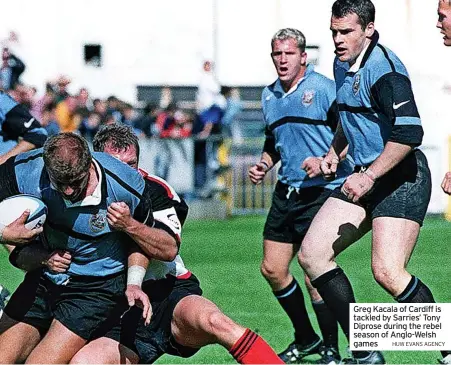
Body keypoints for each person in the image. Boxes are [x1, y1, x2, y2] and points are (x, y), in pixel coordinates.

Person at [298, 1, 448, 364]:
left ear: (368, 29)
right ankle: (366, 352)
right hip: (364, 177)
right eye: (334, 31)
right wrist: (334, 153)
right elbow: (351, 115)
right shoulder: (341, 62)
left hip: (402, 178)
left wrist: (367, 176)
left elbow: (409, 132)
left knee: (387, 272)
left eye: (346, 31)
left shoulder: (385, 70)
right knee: (312, 255)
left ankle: (448, 350)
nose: (337, 39)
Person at [64, 124, 283, 364]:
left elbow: (168, 249)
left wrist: (129, 224)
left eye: (132, 165)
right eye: (116, 166)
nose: (126, 174)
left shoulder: (156, 189)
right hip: (117, 306)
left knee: (216, 322)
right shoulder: (79, 196)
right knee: (84, 363)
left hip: (169, 291)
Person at [0, 132, 160, 364]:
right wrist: (5, 234)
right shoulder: (24, 171)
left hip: (95, 287)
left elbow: (141, 239)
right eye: (59, 182)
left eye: (75, 182)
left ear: (89, 164)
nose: (67, 191)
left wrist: (134, 282)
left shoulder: (125, 184)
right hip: (44, 277)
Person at [248, 28, 353, 364]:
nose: (282, 60)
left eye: (289, 54)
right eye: (277, 54)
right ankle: (306, 338)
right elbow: (273, 141)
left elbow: (349, 131)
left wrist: (327, 161)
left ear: (303, 56)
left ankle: (331, 349)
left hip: (321, 191)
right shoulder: (268, 96)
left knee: (313, 274)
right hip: (287, 190)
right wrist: (264, 164)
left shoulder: (323, 89)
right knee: (272, 268)